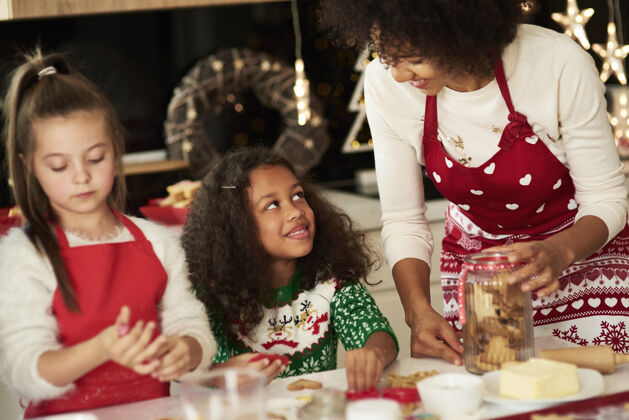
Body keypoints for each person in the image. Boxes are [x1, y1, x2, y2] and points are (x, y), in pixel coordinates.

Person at [318, 0, 629, 365]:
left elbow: (607, 198)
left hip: (581, 253)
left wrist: (561, 251)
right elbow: (404, 220)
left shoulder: (556, 62)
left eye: (413, 57)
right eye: (386, 56)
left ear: (463, 32)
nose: (399, 74)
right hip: (479, 269)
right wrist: (417, 311)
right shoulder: (387, 85)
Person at [0, 50, 216, 418]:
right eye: (59, 165)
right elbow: (24, 371)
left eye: (95, 158)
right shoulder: (25, 254)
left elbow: (192, 324)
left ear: (116, 151)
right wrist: (101, 349)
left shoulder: (158, 242)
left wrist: (188, 348)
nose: (80, 176)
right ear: (30, 166)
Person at [181, 146, 398, 391]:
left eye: (298, 195)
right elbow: (180, 364)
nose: (296, 211)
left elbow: (376, 333)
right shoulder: (211, 294)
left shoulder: (331, 281)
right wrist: (220, 375)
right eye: (272, 205)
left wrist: (374, 354)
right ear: (235, 226)